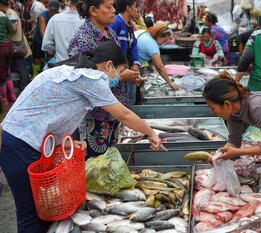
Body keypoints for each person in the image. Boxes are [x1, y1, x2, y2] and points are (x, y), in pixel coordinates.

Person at [0, 41, 161, 233]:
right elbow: (123, 114)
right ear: (109, 65)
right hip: (20, 144)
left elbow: (52, 109)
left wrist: (62, 141)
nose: (118, 76)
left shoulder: (72, 70)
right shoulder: (91, 78)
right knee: (32, 212)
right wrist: (150, 132)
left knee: (43, 210)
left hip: (22, 140)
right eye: (120, 70)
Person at [68, 0, 141, 157]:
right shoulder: (82, 39)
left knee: (109, 161)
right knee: (95, 164)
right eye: (109, 7)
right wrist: (122, 76)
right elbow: (84, 81)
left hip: (114, 110)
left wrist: (127, 74)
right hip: (95, 115)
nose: (114, 10)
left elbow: (114, 66)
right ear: (94, 10)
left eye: (113, 6)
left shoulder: (111, 33)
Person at [109, 0, 141, 105]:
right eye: (136, 6)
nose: (138, 10)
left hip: (127, 71)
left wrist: (136, 63)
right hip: (117, 74)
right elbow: (110, 48)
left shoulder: (130, 26)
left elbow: (134, 45)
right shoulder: (116, 23)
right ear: (128, 8)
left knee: (128, 102)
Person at [135, 23, 178, 90]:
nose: (163, 43)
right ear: (159, 35)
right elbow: (160, 67)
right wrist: (170, 83)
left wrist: (149, 66)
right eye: (164, 41)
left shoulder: (143, 32)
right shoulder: (152, 44)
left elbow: (141, 51)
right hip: (130, 67)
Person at [4, 0, 31, 94]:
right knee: (18, 67)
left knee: (20, 67)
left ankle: (24, 88)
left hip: (16, 44)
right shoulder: (9, 12)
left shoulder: (10, 13)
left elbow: (14, 29)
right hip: (15, 43)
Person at [31, 0, 59, 77]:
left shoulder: (58, 16)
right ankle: (35, 76)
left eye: (55, 10)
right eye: (51, 10)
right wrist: (48, 47)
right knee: (37, 59)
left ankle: (44, 75)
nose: (53, 12)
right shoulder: (42, 16)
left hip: (50, 41)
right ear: (48, 8)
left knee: (47, 60)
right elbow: (42, 33)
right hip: (39, 40)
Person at [0, 0, 15, 108]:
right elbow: (11, 31)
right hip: (7, 45)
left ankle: (4, 100)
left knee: (1, 75)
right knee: (7, 71)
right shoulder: (4, 17)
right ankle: (12, 96)